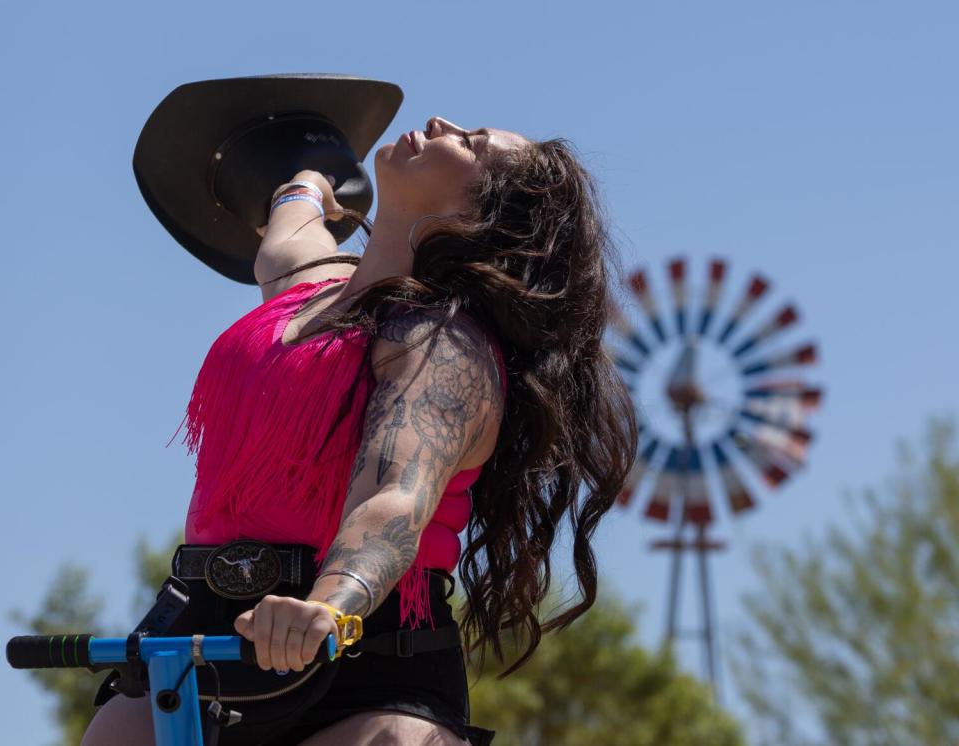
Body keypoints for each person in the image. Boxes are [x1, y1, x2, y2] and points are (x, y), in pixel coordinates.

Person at [81, 116, 639, 746]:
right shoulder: (306, 287)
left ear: (483, 217)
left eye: (472, 142)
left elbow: (395, 497)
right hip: (202, 631)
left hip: (367, 657)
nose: (440, 123)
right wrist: (310, 182)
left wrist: (330, 607)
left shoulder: (441, 343)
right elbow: (285, 234)